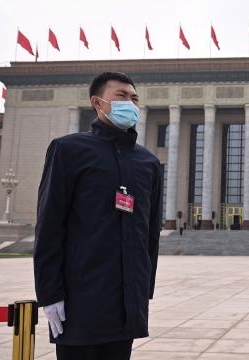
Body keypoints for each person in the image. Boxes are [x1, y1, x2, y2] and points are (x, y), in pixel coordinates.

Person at [34, 72, 163, 360]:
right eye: (121, 96)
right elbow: (50, 226)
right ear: (98, 102)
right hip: (80, 300)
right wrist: (50, 294)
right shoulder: (69, 150)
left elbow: (150, 233)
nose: (129, 103)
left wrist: (144, 291)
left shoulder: (148, 163)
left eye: (134, 98)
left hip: (127, 304)